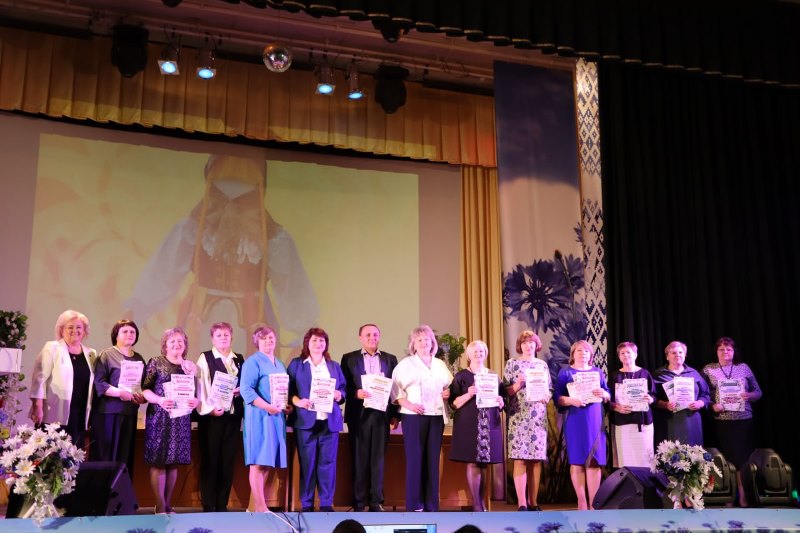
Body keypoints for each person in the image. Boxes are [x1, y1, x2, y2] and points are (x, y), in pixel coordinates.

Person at [124, 154, 319, 345]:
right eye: (222, 188)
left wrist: (305, 331)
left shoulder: (271, 237)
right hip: (200, 320)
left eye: (243, 192)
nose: (231, 199)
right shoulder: (193, 229)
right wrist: (138, 311)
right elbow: (163, 272)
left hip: (252, 321)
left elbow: (292, 286)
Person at [390, 324, 453, 512]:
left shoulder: (440, 364)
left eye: (427, 339)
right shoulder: (405, 364)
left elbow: (449, 386)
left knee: (432, 461)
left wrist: (448, 393)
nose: (424, 342)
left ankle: (431, 504)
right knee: (415, 459)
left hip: (436, 416)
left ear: (432, 342)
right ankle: (415, 504)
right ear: (413, 344)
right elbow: (395, 392)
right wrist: (409, 405)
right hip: (413, 417)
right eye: (419, 340)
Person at [341, 323, 399, 512]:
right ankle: (358, 502)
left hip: (382, 416)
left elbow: (395, 389)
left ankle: (376, 501)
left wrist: (395, 415)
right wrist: (355, 393)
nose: (372, 338)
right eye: (367, 335)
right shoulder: (349, 358)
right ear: (360, 338)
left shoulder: (390, 359)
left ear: (379, 337)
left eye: (375, 334)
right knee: (359, 459)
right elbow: (343, 386)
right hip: (359, 415)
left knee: (378, 460)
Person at [288, 327, 347, 512]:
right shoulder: (297, 364)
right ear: (307, 343)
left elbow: (343, 390)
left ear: (326, 344)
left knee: (328, 463)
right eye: (314, 340)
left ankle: (326, 502)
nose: (318, 344)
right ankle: (306, 503)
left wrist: (339, 395)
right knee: (307, 463)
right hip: (305, 422)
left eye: (322, 340)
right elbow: (289, 391)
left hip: (329, 422)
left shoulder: (333, 366)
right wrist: (298, 402)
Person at [142, 327, 199, 514]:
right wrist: (159, 400)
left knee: (173, 462)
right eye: (172, 341)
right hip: (160, 418)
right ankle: (159, 506)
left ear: (185, 345)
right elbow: (145, 389)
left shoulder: (189, 366)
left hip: (180, 420)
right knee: (159, 461)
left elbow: (195, 392)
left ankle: (167, 505)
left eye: (180, 341)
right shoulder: (156, 362)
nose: (177, 344)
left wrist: (195, 400)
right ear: (165, 345)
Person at [702, 337, 762, 507]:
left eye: (729, 349)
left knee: (743, 460)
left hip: (743, 420)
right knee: (725, 460)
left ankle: (743, 495)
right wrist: (712, 405)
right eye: (721, 349)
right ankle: (729, 495)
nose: (725, 352)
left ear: (734, 352)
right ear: (716, 351)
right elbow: (702, 394)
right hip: (722, 421)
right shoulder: (708, 369)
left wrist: (748, 395)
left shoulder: (743, 367)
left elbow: (758, 392)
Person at [240, 325, 293, 513]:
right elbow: (246, 390)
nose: (268, 341)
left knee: (268, 461)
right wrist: (267, 406)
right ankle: (261, 508)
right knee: (257, 462)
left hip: (276, 417)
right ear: (257, 342)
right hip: (259, 416)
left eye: (271, 337)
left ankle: (252, 508)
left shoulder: (280, 363)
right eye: (264, 338)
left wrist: (285, 406)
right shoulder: (252, 362)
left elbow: (282, 391)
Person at [554, 340, 610, 511]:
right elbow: (557, 397)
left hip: (595, 420)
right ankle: (581, 502)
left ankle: (594, 503)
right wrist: (571, 400)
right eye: (579, 350)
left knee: (594, 461)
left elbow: (608, 394)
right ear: (573, 354)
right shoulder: (566, 372)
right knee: (577, 461)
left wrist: (604, 393)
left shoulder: (597, 372)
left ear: (590, 355)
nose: (583, 354)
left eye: (586, 351)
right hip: (575, 419)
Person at [449, 340, 504, 512]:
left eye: (481, 351)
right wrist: (469, 394)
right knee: (473, 462)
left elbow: (502, 400)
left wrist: (501, 401)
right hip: (468, 424)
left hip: (489, 423)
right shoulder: (461, 376)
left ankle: (482, 503)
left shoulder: (493, 376)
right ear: (469, 355)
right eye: (475, 351)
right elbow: (453, 403)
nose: (479, 354)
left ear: (485, 354)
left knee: (484, 463)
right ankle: (476, 504)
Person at [195, 321, 245, 512]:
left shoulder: (239, 359)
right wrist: (209, 409)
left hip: (232, 417)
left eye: (226, 335)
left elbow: (245, 384)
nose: (223, 338)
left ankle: (222, 503)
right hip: (212, 418)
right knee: (211, 460)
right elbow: (201, 386)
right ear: (212, 338)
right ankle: (209, 504)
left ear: (232, 337)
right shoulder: (205, 357)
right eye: (219, 335)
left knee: (227, 461)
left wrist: (241, 390)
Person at [29, 309, 96, 447]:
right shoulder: (52, 348)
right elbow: (39, 379)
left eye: (79, 327)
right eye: (70, 327)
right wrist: (37, 406)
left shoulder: (91, 353)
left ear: (84, 331)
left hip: (79, 413)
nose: (74, 330)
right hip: (54, 412)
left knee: (74, 453)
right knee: (50, 452)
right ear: (61, 330)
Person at [503, 330, 551, 512]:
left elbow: (549, 389)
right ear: (520, 345)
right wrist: (518, 384)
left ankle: (533, 502)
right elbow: (505, 391)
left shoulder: (542, 365)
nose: (528, 345)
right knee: (520, 459)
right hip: (518, 416)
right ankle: (522, 503)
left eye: (531, 342)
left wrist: (547, 396)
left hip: (537, 417)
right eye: (524, 342)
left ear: (536, 345)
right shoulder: (512, 364)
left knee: (536, 460)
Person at [92, 319, 147, 476]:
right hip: (108, 414)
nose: (129, 334)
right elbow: (99, 382)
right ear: (116, 335)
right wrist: (119, 392)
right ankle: (103, 490)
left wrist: (141, 398)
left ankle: (120, 490)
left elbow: (143, 386)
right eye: (125, 331)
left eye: (132, 332)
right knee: (106, 456)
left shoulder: (139, 358)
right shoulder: (107, 355)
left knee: (124, 458)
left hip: (129, 414)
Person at [653, 340, 710, 447]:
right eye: (673, 352)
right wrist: (665, 405)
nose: (677, 355)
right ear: (667, 356)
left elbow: (706, 394)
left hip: (691, 420)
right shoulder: (658, 374)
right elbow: (653, 398)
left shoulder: (694, 373)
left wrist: (700, 403)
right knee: (671, 452)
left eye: (680, 352)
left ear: (685, 355)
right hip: (669, 421)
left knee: (693, 452)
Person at [609, 341, 656, 468]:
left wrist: (650, 399)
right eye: (622, 353)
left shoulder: (645, 373)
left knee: (644, 459)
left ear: (635, 354)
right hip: (622, 422)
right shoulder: (614, 376)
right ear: (619, 357)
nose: (625, 355)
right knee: (625, 459)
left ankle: (645, 481)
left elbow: (654, 395)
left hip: (643, 422)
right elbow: (608, 401)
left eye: (628, 352)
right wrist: (616, 407)